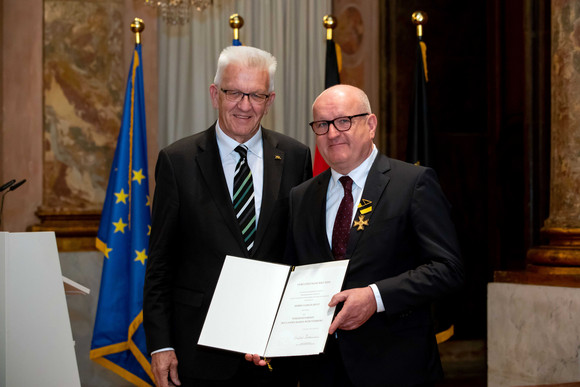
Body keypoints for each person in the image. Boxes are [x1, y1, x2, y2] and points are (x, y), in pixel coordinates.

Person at [143, 45, 312, 387]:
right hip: (198, 352)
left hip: (272, 355)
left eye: (256, 95)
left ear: (270, 100)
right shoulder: (177, 161)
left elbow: (301, 254)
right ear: (214, 94)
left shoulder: (296, 157)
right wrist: (161, 344)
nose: (244, 105)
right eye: (234, 92)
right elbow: (160, 262)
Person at [285, 84, 464, 386]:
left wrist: (375, 297)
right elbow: (292, 275)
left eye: (344, 121)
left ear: (370, 125)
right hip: (322, 371)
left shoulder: (412, 183)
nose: (332, 133)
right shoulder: (301, 197)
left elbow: (448, 269)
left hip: (397, 367)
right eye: (322, 125)